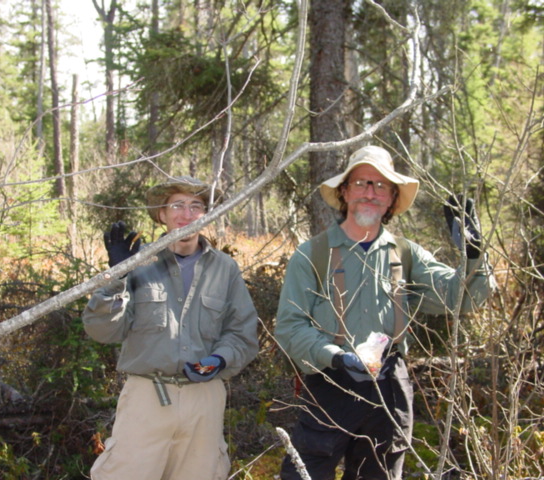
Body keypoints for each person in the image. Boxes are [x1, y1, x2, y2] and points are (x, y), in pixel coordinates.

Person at [275, 145, 495, 480]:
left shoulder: (407, 255)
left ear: (392, 198)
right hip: (329, 382)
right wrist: (337, 357)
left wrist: (474, 252)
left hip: (389, 386)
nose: (370, 193)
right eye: (362, 183)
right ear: (344, 192)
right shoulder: (312, 254)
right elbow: (290, 328)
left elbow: (461, 298)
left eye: (381, 186)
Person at [82, 176, 259, 480]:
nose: (186, 214)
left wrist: (219, 360)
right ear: (161, 214)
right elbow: (102, 332)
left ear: (207, 215)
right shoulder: (137, 262)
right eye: (177, 205)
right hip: (146, 397)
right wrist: (117, 275)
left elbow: (242, 334)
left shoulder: (225, 268)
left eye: (196, 206)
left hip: (205, 400)